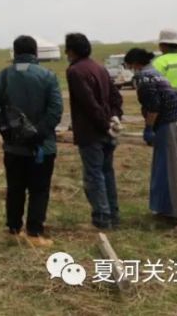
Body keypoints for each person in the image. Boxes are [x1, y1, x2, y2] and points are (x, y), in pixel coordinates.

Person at [0, 35, 63, 247]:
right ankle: (35, 233)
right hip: (42, 148)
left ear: (15, 52)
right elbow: (56, 110)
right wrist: (39, 133)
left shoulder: (2, 77)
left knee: (15, 188)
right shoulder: (48, 76)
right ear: (35, 53)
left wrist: (4, 130)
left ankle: (13, 229)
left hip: (13, 147)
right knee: (39, 190)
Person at [124, 48, 177, 231]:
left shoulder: (144, 78)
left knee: (174, 169)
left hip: (169, 125)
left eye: (129, 65)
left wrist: (148, 128)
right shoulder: (156, 73)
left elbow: (153, 106)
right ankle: (167, 208)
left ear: (134, 63)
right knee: (166, 167)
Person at [65, 32, 123, 230]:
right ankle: (113, 215)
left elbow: (89, 104)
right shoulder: (100, 67)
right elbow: (116, 98)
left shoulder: (75, 71)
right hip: (108, 131)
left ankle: (102, 217)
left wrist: (103, 124)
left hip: (91, 133)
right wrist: (114, 118)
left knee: (94, 175)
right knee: (107, 172)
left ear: (71, 51)